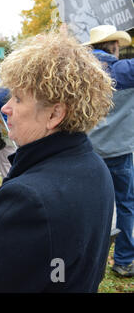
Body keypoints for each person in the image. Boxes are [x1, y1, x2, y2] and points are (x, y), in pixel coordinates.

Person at [0, 30, 115, 292]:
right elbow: (49, 229)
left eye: (18, 98)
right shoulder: (93, 166)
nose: (7, 108)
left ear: (55, 113)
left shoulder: (31, 196)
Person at [84, 25, 134, 277]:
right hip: (119, 152)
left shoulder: (81, 71)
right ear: (114, 45)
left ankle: (85, 259)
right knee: (125, 205)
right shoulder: (126, 70)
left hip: (85, 151)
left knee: (86, 206)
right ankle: (123, 261)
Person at [0, 80, 17, 178]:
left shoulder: (6, 86)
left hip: (8, 131)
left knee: (7, 164)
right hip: (4, 130)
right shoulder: (2, 83)